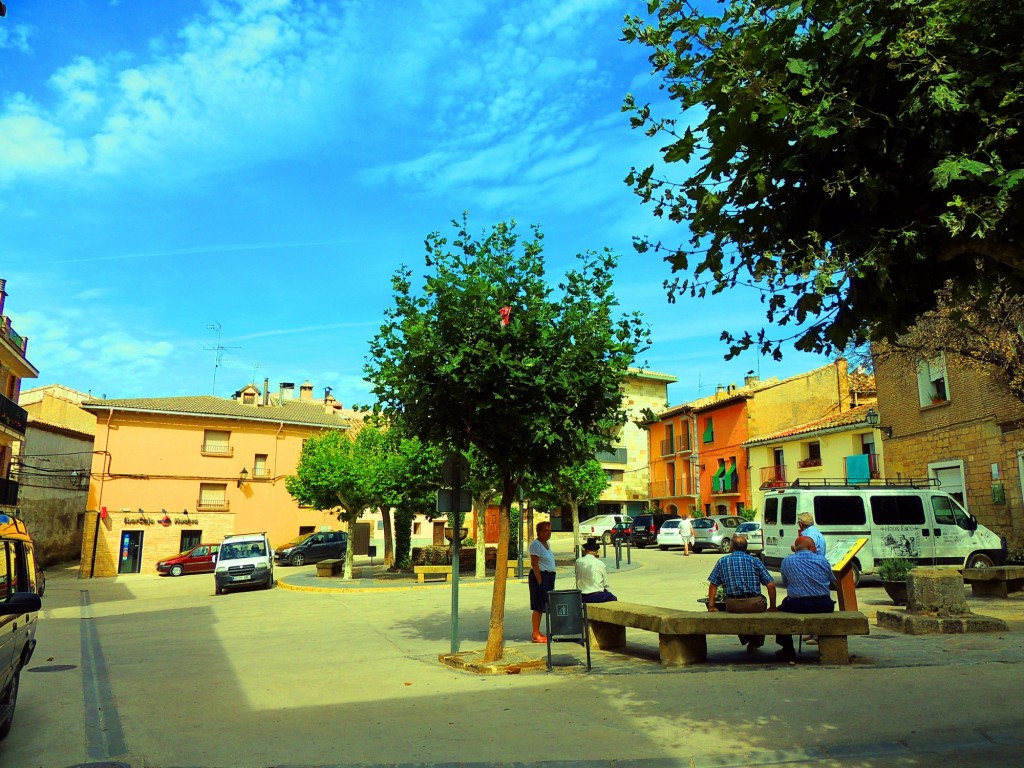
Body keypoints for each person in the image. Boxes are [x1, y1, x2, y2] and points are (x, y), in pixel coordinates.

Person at [706, 534, 777, 653]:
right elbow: (771, 585)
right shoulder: (755, 561)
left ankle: (747, 639)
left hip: (732, 605)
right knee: (761, 602)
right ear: (745, 548)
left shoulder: (722, 561)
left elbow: (713, 585)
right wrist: (773, 606)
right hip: (754, 604)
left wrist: (711, 606)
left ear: (731, 547)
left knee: (739, 612)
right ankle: (755, 642)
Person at [776, 535, 836, 660]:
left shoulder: (787, 561)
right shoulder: (822, 560)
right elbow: (832, 580)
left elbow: (785, 581)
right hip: (823, 604)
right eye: (814, 546)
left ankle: (787, 648)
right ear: (810, 547)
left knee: (780, 610)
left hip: (797, 604)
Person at [528, 521, 557, 643]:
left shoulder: (547, 544)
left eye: (550, 530)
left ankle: (537, 631)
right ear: (539, 532)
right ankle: (535, 634)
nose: (548, 533)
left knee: (545, 604)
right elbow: (534, 563)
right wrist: (540, 581)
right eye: (546, 530)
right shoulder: (536, 545)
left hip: (549, 576)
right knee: (538, 606)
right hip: (540, 576)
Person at [575, 538, 617, 603]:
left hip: (581, 595)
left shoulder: (578, 562)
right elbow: (605, 584)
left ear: (585, 551)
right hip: (596, 595)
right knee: (613, 597)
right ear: (596, 551)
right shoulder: (600, 563)